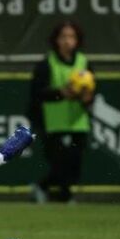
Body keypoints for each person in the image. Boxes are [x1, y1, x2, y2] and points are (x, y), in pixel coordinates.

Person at [29, 20, 95, 204]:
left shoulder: (83, 62)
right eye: (63, 37)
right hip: (54, 122)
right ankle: (55, 192)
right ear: (56, 40)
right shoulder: (46, 64)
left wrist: (86, 98)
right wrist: (62, 93)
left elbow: (92, 94)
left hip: (78, 122)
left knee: (74, 164)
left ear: (77, 40)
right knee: (59, 163)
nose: (67, 41)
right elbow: (37, 93)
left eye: (71, 37)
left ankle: (57, 193)